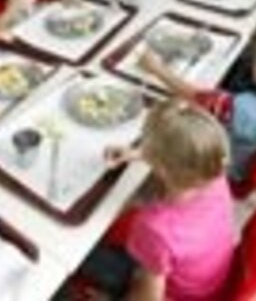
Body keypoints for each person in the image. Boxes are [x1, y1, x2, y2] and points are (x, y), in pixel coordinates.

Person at [73, 101, 234, 301]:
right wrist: (137, 154)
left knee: (80, 254)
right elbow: (187, 157)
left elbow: (149, 298)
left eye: (146, 144)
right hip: (207, 280)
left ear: (162, 168)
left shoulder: (156, 228)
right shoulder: (213, 171)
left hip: (177, 295)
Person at [139, 27, 256, 180]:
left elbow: (195, 96)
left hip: (229, 167)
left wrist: (157, 70)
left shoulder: (244, 111)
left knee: (166, 125)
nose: (255, 59)